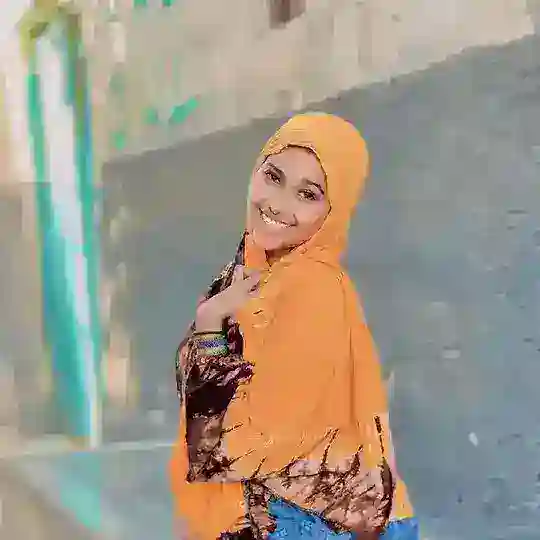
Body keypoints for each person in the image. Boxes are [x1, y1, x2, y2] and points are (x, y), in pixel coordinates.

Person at [170, 113, 419, 539]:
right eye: (273, 176)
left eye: (307, 194)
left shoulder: (312, 290)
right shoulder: (247, 277)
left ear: (333, 210)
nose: (278, 204)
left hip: (311, 523)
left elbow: (230, 448)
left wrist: (209, 325)